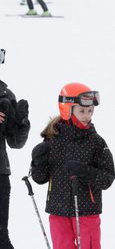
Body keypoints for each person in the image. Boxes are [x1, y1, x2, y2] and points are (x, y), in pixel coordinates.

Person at [30, 82, 115, 249]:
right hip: (58, 210)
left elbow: (107, 178)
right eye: (82, 111)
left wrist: (85, 172)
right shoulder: (52, 140)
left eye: (90, 111)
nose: (87, 116)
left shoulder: (96, 142)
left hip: (87, 211)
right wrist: (38, 161)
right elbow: (40, 179)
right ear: (67, 109)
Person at [0, 48, 30, 248]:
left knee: (2, 237)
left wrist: (22, 122)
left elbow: (16, 143)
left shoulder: (5, 95)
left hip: (0, 174)